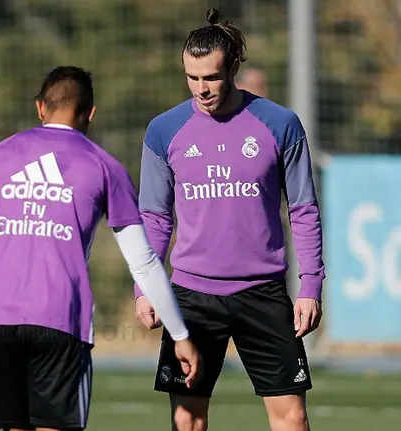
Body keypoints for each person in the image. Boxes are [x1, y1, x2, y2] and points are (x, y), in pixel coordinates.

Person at [0, 66, 201, 431]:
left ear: (40, 108)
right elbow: (144, 262)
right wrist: (180, 335)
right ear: (90, 113)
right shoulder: (105, 166)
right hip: (61, 320)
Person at [134, 8, 325, 431]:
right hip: (191, 299)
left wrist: (310, 285)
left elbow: (303, 209)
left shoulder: (280, 124)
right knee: (188, 420)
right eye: (192, 77)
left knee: (291, 418)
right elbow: (155, 218)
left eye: (212, 78)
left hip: (264, 294)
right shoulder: (164, 131)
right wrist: (145, 287)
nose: (201, 89)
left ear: (233, 68)